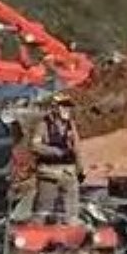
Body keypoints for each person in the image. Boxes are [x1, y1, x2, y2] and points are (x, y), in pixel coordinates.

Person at [29, 91, 85, 226]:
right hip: (48, 174)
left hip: (68, 174)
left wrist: (80, 169)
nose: (67, 109)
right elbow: (34, 146)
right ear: (54, 107)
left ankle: (70, 234)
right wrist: (55, 151)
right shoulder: (43, 125)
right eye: (63, 106)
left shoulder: (70, 125)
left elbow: (77, 149)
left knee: (71, 215)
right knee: (42, 213)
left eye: (68, 106)